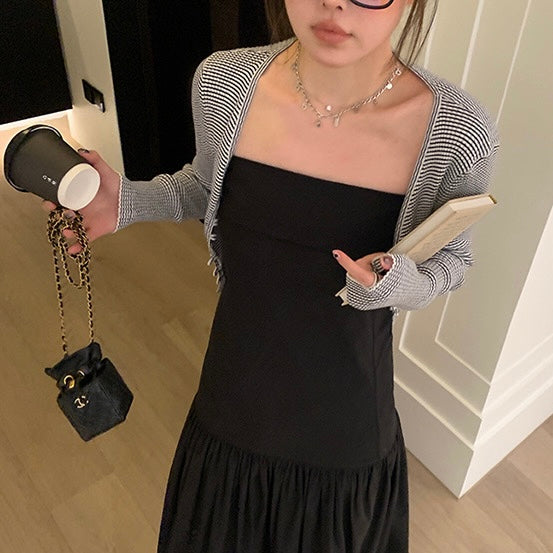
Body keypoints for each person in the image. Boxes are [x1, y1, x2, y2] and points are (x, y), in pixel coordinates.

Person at [44, 0, 499, 551]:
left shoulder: (457, 131)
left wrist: (397, 282)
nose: (335, 3)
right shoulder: (224, 83)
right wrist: (127, 202)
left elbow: (454, 260)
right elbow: (205, 188)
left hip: (345, 425)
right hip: (232, 397)